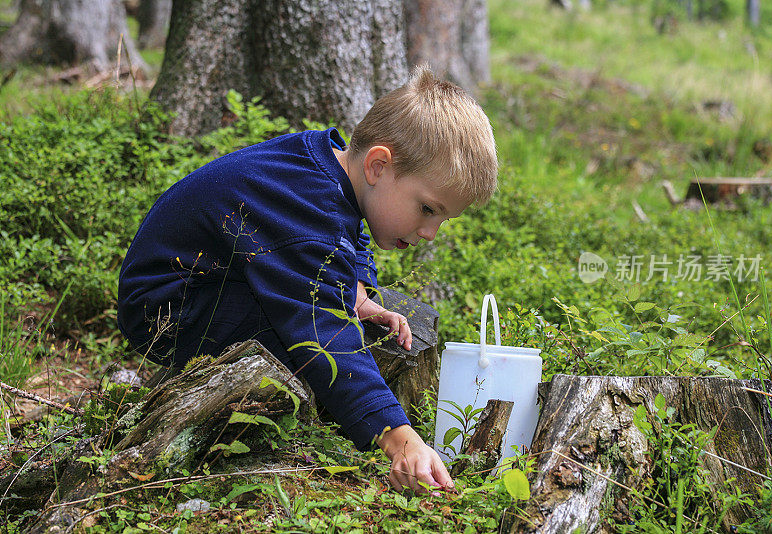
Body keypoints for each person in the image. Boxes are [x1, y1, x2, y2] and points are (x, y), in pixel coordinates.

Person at [117, 65, 498, 493]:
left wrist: (358, 293)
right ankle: (345, 421)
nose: (429, 232)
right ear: (378, 166)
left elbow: (348, 232)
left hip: (210, 283)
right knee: (308, 339)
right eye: (428, 209)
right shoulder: (306, 204)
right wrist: (399, 437)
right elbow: (323, 331)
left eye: (442, 218)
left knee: (333, 314)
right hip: (168, 308)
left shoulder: (329, 169)